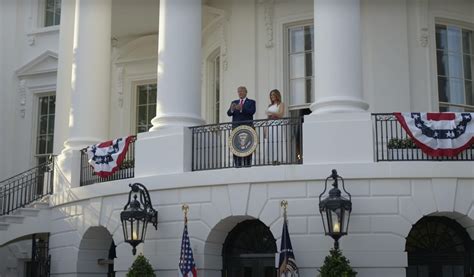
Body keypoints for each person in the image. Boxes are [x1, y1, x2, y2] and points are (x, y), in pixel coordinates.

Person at [227, 86, 256, 167]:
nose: (240, 93)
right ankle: (237, 165)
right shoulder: (234, 102)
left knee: (248, 146)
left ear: (246, 92)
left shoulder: (251, 102)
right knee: (236, 146)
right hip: (236, 128)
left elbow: (252, 112)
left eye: (241, 91)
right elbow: (229, 113)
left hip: (247, 128)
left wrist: (242, 108)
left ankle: (247, 164)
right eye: (238, 91)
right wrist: (232, 109)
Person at [265, 89, 286, 165]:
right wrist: (265, 129)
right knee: (271, 141)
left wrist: (272, 113)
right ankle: (272, 159)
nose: (272, 96)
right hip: (270, 124)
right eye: (271, 95)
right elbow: (267, 118)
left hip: (278, 123)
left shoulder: (281, 104)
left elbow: (281, 114)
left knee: (278, 140)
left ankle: (278, 159)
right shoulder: (270, 106)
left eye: (273, 95)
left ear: (277, 95)